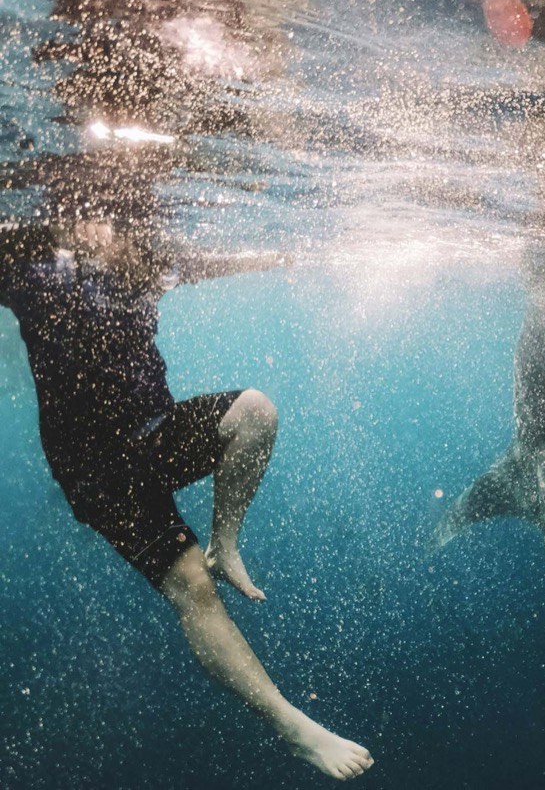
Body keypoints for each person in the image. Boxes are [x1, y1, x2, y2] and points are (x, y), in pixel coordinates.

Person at [0, 205, 374, 781]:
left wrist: (289, 248)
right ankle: (293, 726)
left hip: (155, 432)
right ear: (69, 218)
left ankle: (225, 544)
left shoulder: (147, 259)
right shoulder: (32, 268)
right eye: (95, 219)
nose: (109, 231)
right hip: (96, 472)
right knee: (191, 588)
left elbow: (208, 262)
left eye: (119, 221)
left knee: (255, 412)